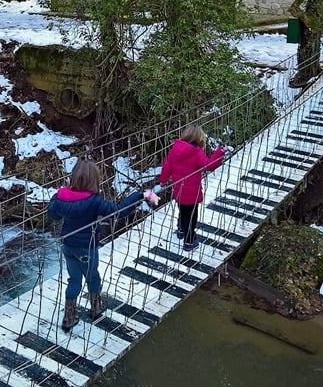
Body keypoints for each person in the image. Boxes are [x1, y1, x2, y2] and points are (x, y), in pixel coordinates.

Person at [48, 160, 159, 332]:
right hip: (87, 247)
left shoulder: (60, 197)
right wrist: (140, 195)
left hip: (68, 245)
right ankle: (96, 308)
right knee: (92, 277)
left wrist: (57, 197)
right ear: (94, 180)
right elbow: (118, 212)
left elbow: (53, 215)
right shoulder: (94, 201)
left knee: (74, 279)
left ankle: (69, 317)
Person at [158, 124, 225, 252]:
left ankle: (181, 230)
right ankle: (189, 242)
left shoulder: (175, 149)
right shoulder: (196, 152)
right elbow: (209, 166)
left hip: (179, 190)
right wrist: (219, 153)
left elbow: (167, 166)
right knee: (192, 217)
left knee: (182, 211)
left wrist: (163, 180)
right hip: (193, 193)